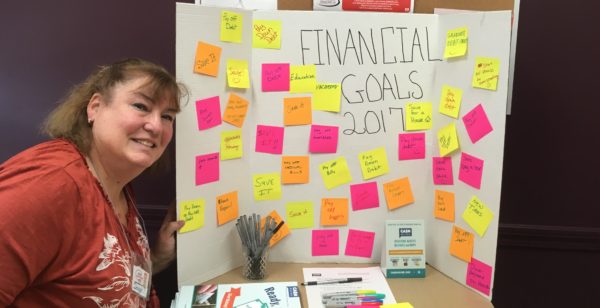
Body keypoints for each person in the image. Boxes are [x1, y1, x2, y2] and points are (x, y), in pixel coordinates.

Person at [0, 58, 187, 307]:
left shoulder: (116, 182)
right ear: (95, 107)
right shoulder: (48, 184)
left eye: (167, 116)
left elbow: (99, 281)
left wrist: (159, 257)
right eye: (141, 106)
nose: (155, 126)